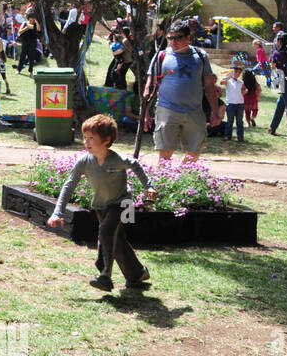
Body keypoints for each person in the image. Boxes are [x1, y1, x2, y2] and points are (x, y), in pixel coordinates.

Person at [47, 114, 156, 291]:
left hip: (122, 203)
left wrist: (148, 186)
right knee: (116, 240)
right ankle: (137, 274)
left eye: (92, 138)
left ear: (106, 140)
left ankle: (105, 276)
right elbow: (69, 185)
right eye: (85, 138)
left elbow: (135, 164)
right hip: (101, 206)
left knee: (105, 231)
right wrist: (58, 212)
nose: (86, 142)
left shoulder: (117, 159)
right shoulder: (85, 161)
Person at [147, 20, 221, 162]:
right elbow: (149, 86)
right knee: (165, 155)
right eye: (170, 38)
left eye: (178, 38)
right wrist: (145, 113)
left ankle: (182, 180)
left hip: (194, 111)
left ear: (188, 37)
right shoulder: (161, 56)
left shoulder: (200, 56)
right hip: (167, 110)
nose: (173, 42)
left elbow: (209, 86)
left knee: (193, 154)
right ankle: (164, 182)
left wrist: (215, 112)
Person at [220, 61, 247, 142]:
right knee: (230, 121)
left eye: (239, 72)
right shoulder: (228, 80)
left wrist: (245, 91)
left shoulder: (240, 82)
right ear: (232, 72)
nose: (237, 73)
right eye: (236, 72)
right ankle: (228, 136)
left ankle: (240, 137)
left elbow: (244, 89)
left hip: (240, 104)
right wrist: (227, 76)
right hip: (231, 104)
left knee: (239, 122)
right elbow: (221, 82)